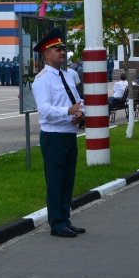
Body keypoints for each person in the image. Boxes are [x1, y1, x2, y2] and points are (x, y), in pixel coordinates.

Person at [31, 28, 87, 238]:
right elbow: (44, 108)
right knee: (55, 180)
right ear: (46, 54)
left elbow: (76, 102)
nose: (63, 53)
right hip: (53, 136)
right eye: (58, 49)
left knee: (67, 179)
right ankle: (56, 223)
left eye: (63, 49)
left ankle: (65, 218)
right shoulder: (43, 79)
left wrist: (80, 113)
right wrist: (67, 111)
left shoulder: (67, 75)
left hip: (69, 133)